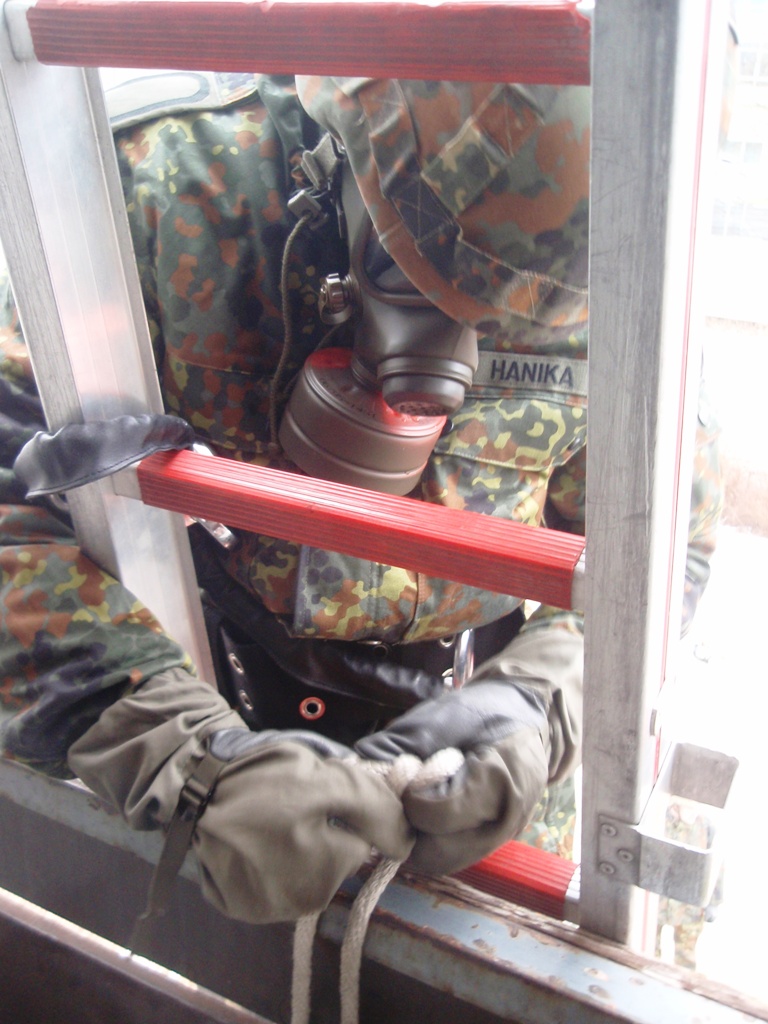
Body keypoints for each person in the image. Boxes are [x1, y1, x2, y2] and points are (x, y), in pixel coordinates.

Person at [0, 73, 723, 926]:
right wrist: (176, 754)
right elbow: (15, 503)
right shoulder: (162, 191)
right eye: (429, 276)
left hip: (484, 785)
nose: (454, 343)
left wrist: (546, 699)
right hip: (210, 737)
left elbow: (665, 547)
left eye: (513, 321)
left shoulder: (633, 267)